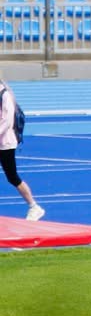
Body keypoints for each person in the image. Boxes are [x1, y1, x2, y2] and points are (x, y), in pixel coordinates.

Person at [0, 75, 43, 221]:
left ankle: (34, 206)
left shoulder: (4, 94)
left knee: (12, 177)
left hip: (5, 143)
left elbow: (7, 122)